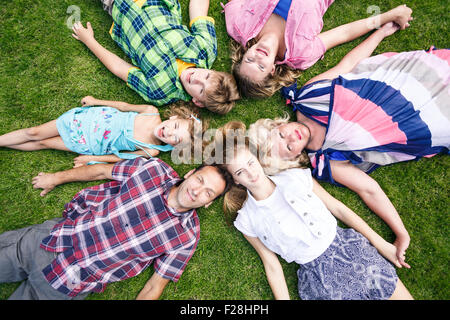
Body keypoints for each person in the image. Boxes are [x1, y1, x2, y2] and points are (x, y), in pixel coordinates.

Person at [247, 22, 450, 267]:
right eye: (289, 148)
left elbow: (348, 65)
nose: (292, 138)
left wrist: (381, 32)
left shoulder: (309, 97)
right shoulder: (326, 159)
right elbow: (369, 190)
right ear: (293, 158)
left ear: (277, 125)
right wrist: (400, 232)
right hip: (419, 122)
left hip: (401, 83)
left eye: (281, 135)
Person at [213, 121, 413, 300]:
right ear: (236, 180)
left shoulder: (296, 176)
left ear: (257, 159)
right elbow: (271, 264)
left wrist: (382, 245)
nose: (250, 173)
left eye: (250, 163)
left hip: (351, 250)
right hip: (319, 279)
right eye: (240, 172)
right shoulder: (247, 220)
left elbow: (339, 209)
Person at [0, 157, 233, 299]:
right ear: (190, 173)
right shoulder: (153, 170)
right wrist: (56, 178)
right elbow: (103, 171)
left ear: (208, 202)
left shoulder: (187, 237)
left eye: (208, 193)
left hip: (69, 281)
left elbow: (155, 285)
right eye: (200, 180)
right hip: (55, 238)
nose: (197, 191)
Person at [72, 0, 240, 114]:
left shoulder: (159, 92)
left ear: (197, 101)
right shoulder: (205, 50)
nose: (197, 78)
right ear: (213, 70)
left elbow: (120, 68)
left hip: (121, 7)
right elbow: (198, 11)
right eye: (207, 76)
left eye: (201, 89)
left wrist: (89, 41)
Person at [224, 0, 413, 98]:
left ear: (244, 54)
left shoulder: (238, 26)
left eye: (249, 60)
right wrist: (391, 15)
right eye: (261, 67)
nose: (257, 57)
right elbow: (343, 33)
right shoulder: (301, 54)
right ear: (272, 70)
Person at [0, 96, 208, 165]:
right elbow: (123, 106)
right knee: (35, 132)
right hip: (88, 120)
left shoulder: (151, 150)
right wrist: (94, 101)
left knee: (43, 143)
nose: (169, 133)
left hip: (89, 144)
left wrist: (91, 158)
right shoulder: (150, 112)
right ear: (175, 117)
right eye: (176, 127)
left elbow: (119, 158)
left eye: (175, 139)